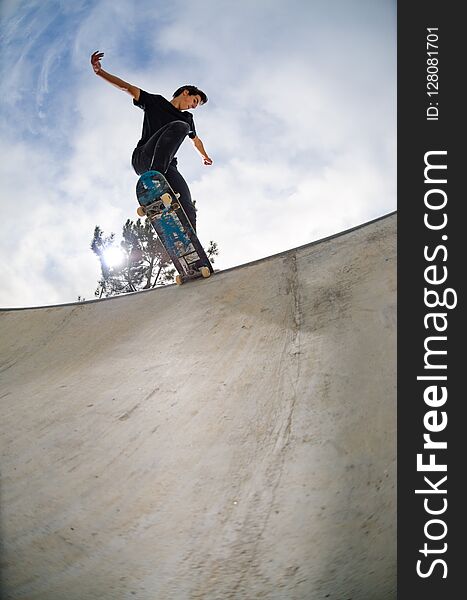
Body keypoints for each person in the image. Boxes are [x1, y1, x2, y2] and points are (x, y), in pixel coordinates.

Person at [90, 51, 212, 231]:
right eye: (194, 101)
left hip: (168, 166)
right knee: (180, 126)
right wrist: (100, 72)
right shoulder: (156, 102)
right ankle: (156, 183)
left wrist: (204, 156)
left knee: (187, 206)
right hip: (144, 157)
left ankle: (191, 251)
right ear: (185, 92)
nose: (194, 106)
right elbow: (127, 88)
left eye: (196, 105)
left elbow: (196, 140)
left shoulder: (188, 118)